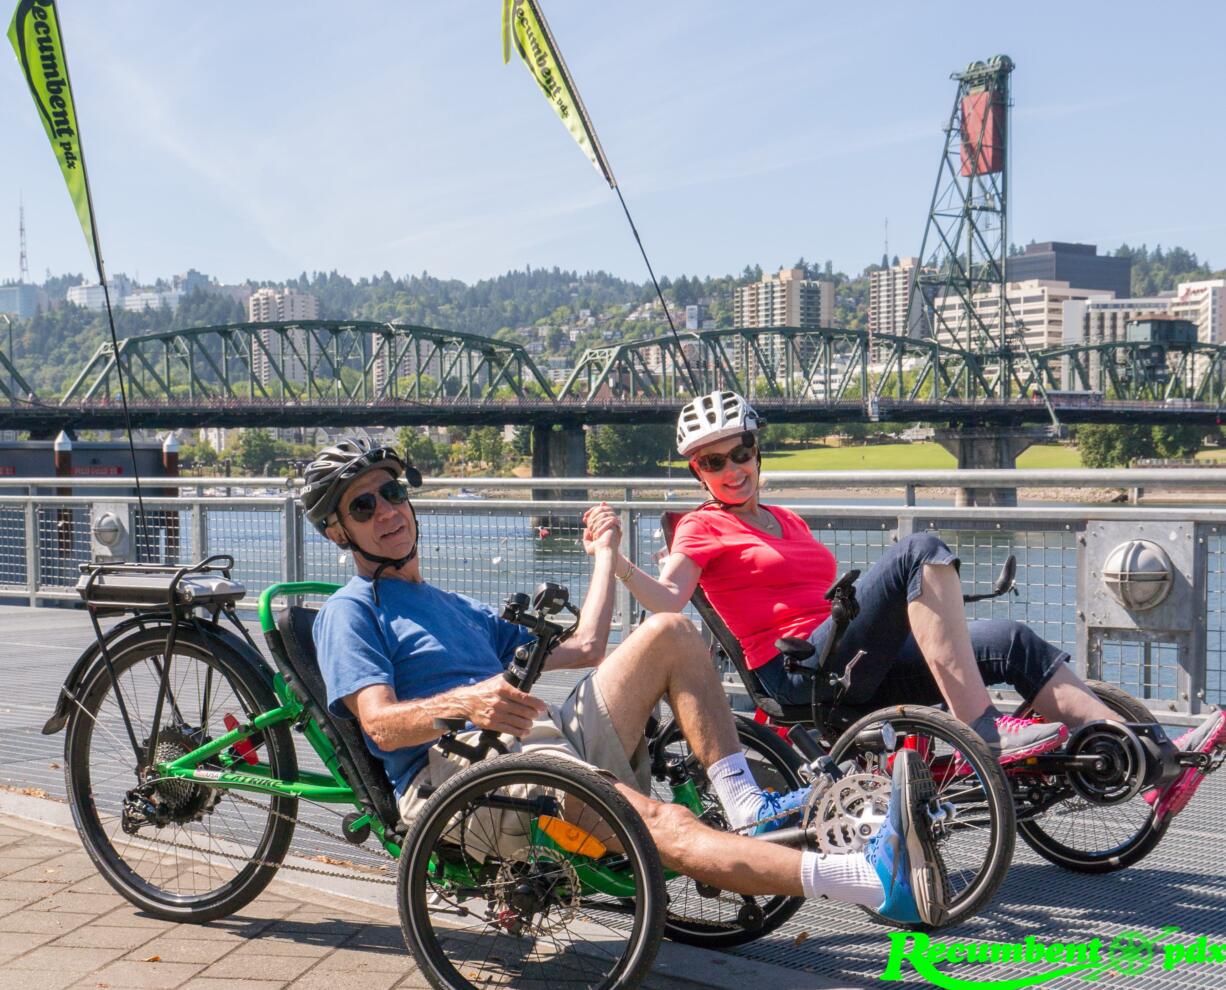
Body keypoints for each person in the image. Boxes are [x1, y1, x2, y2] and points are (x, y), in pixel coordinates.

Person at [298, 436, 952, 926]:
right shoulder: (351, 612)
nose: (388, 509)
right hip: (462, 778)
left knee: (669, 631)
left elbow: (585, 647)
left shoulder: (452, 603)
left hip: (538, 742)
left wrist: (606, 554)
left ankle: (746, 805)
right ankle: (870, 882)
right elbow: (379, 722)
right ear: (338, 529)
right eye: (364, 505)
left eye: (393, 492)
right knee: (656, 821)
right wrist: (467, 702)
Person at [597, 390, 1226, 821]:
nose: (731, 468)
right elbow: (670, 598)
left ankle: (1151, 759)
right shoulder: (700, 528)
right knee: (919, 548)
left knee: (1010, 638)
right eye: (713, 461)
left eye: (739, 452)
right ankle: (983, 738)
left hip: (848, 649)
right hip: (800, 670)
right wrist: (615, 558)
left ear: (757, 449)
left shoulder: (785, 517)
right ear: (697, 472)